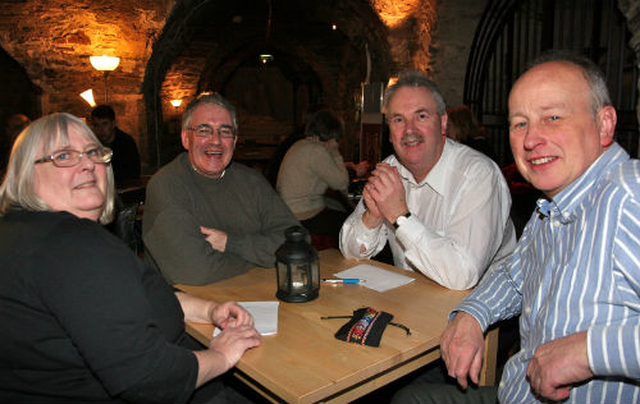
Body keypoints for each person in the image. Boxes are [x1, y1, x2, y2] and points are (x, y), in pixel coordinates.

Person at [392, 51, 640, 404]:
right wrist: (471, 314)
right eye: (520, 123)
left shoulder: (629, 196)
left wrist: (588, 352)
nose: (530, 140)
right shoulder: (553, 206)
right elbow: (514, 274)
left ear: (604, 124)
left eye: (552, 117)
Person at [0, 112, 263, 403]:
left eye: (93, 152)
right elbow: (149, 379)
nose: (88, 164)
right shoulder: (74, 245)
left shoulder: (25, 233)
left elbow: (127, 296)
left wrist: (209, 310)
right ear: (26, 173)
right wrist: (221, 355)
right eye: (63, 156)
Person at [339, 71, 516, 291]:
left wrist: (400, 216)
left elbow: (462, 275)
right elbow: (349, 250)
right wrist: (372, 217)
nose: (409, 130)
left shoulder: (478, 175)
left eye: (421, 116)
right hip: (412, 299)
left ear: (442, 123)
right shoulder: (390, 169)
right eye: (398, 120)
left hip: (479, 308)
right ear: (390, 134)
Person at [142, 92, 299, 285]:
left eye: (225, 131)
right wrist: (268, 258)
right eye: (204, 131)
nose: (215, 141)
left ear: (234, 141)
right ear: (185, 138)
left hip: (258, 297)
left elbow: (298, 244)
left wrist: (231, 243)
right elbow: (197, 273)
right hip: (191, 308)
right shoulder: (167, 185)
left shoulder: (252, 181)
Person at [276, 110, 350, 242]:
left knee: (336, 205)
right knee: (349, 223)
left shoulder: (301, 144)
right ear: (332, 135)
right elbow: (342, 183)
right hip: (304, 215)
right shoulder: (317, 151)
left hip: (288, 211)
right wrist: (335, 152)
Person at [90, 104, 141, 187]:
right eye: (96, 125)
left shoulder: (126, 143)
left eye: (105, 124)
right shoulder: (92, 144)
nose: (101, 129)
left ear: (113, 124)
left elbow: (133, 174)